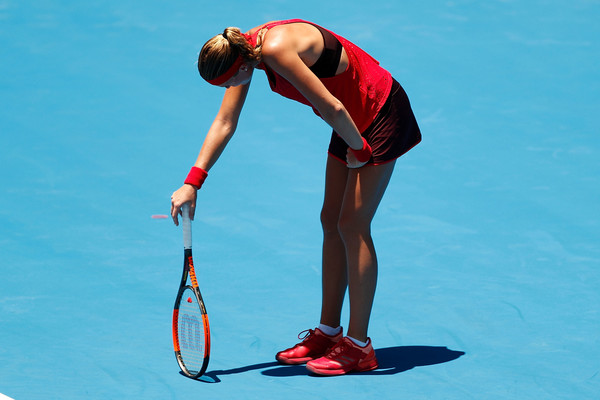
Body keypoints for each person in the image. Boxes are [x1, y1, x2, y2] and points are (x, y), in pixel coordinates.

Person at [170, 19, 421, 376]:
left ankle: (360, 347)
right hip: (350, 119)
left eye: (227, 82)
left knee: (353, 224)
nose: (228, 88)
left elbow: (333, 107)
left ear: (241, 67)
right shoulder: (244, 48)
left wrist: (361, 151)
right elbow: (226, 121)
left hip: (377, 112)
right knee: (329, 220)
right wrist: (193, 181)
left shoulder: (272, 50)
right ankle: (329, 332)